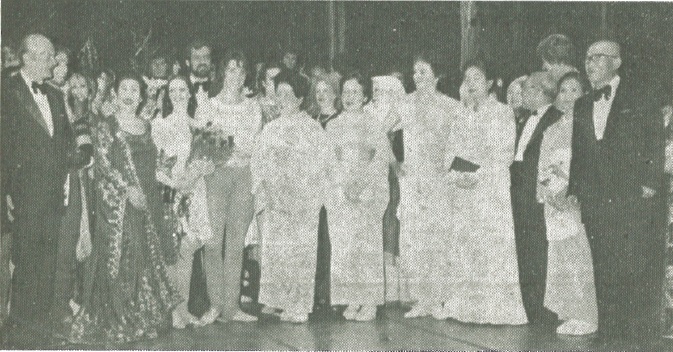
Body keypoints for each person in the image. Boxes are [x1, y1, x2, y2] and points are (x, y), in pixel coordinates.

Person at [567, 40, 666, 345]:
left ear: (617, 62)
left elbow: (654, 138)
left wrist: (650, 181)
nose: (590, 63)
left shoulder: (640, 96)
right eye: (587, 58)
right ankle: (611, 336)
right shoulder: (583, 103)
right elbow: (579, 151)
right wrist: (575, 189)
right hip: (596, 200)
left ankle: (640, 339)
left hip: (632, 196)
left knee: (633, 266)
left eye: (598, 57)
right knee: (603, 267)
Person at [69, 74, 181, 344]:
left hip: (147, 200)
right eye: (124, 89)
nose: (129, 94)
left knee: (145, 253)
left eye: (134, 89)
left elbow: (150, 164)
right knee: (126, 254)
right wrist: (127, 189)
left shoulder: (146, 125)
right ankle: (121, 315)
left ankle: (142, 314)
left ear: (141, 96)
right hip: (120, 203)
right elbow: (105, 165)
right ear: (115, 95)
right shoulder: (107, 125)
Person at [1, 33, 81, 336]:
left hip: (51, 195)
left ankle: (42, 328)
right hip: (21, 196)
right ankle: (21, 333)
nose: (54, 61)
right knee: (25, 265)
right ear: (27, 58)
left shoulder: (56, 95)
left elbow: (62, 145)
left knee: (48, 262)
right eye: (48, 55)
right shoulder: (6, 92)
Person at [441, 61, 527, 324]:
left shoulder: (502, 113)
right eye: (467, 78)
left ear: (490, 82)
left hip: (489, 190)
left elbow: (503, 154)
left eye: (477, 78)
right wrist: (453, 174)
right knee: (465, 246)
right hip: (463, 189)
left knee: (490, 246)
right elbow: (450, 151)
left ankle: (496, 309)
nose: (471, 83)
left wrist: (477, 176)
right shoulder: (461, 114)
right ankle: (464, 306)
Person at [250, 72, 329, 323]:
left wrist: (300, 193)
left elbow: (321, 166)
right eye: (278, 93)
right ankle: (279, 300)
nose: (282, 99)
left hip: (301, 202)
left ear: (300, 97)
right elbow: (258, 165)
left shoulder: (312, 128)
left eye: (288, 94)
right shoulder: (269, 129)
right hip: (275, 201)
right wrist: (268, 192)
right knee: (278, 252)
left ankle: (299, 305)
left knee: (300, 252)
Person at [393, 52, 462, 319]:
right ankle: (422, 299)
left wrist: (447, 169)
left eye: (422, 71)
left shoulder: (451, 106)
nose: (417, 77)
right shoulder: (405, 103)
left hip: (439, 180)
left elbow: (461, 143)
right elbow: (379, 130)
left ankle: (440, 298)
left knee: (438, 238)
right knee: (414, 239)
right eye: (414, 72)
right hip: (412, 180)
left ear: (437, 74)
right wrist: (395, 164)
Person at [194, 50, 262, 324]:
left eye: (241, 70)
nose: (236, 75)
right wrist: (228, 147)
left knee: (235, 244)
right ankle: (215, 304)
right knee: (212, 241)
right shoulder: (207, 105)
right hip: (215, 177)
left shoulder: (252, 107)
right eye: (231, 69)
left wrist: (226, 143)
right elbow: (205, 143)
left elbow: (252, 147)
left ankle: (232, 308)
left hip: (243, 177)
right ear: (222, 73)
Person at [325, 73, 391, 321]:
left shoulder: (374, 125)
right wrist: (343, 187)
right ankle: (351, 298)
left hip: (366, 193)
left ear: (365, 97)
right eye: (346, 92)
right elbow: (329, 162)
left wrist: (363, 185)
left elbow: (380, 160)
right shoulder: (333, 126)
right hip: (342, 194)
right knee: (345, 247)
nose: (350, 97)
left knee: (367, 246)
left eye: (355, 92)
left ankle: (370, 301)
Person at [537, 72, 598, 335]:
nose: (568, 96)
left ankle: (586, 314)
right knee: (560, 254)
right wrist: (547, 192)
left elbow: (585, 165)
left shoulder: (589, 126)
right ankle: (569, 310)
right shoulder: (552, 129)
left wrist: (571, 190)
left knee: (579, 253)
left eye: (575, 90)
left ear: (584, 94)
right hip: (554, 199)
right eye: (563, 91)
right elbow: (544, 166)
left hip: (574, 199)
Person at [151, 75, 213, 329]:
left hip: (195, 191)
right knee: (173, 251)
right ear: (167, 94)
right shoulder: (159, 124)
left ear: (190, 94)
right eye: (172, 90)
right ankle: (175, 310)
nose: (177, 94)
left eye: (182, 89)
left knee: (189, 247)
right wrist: (177, 184)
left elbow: (208, 158)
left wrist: (203, 169)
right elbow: (156, 166)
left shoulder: (199, 125)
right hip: (172, 191)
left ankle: (184, 308)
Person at [510, 71, 562, 327]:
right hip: (519, 191)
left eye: (528, 88)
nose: (523, 93)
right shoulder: (524, 119)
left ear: (543, 92)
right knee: (524, 247)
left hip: (538, 193)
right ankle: (528, 306)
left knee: (540, 250)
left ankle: (542, 309)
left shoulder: (555, 118)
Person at [365, 74, 407, 303]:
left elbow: (394, 153)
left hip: (393, 178)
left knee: (393, 224)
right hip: (374, 175)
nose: (376, 95)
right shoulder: (369, 114)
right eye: (375, 90)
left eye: (381, 91)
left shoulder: (398, 119)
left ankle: (393, 286)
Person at [306, 75, 340, 315]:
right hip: (315, 188)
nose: (321, 95)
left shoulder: (341, 120)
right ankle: (318, 294)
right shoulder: (310, 121)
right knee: (318, 241)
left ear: (335, 93)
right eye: (317, 91)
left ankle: (334, 294)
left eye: (326, 90)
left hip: (335, 187)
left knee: (334, 240)